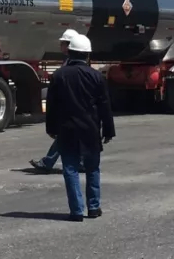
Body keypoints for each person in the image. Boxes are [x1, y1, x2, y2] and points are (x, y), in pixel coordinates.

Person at [45, 33, 116, 221]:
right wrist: (108, 130)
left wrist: (51, 128)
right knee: (92, 168)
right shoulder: (96, 77)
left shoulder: (59, 75)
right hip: (90, 129)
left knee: (70, 169)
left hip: (66, 129)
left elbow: (52, 105)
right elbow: (105, 107)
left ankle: (76, 211)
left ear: (70, 52)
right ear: (87, 55)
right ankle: (93, 207)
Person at [30, 29, 85, 173]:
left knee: (64, 136)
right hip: (76, 107)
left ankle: (48, 163)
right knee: (71, 136)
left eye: (62, 44)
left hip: (71, 106)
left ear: (69, 45)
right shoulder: (71, 62)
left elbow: (63, 81)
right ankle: (80, 162)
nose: (60, 46)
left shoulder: (71, 64)